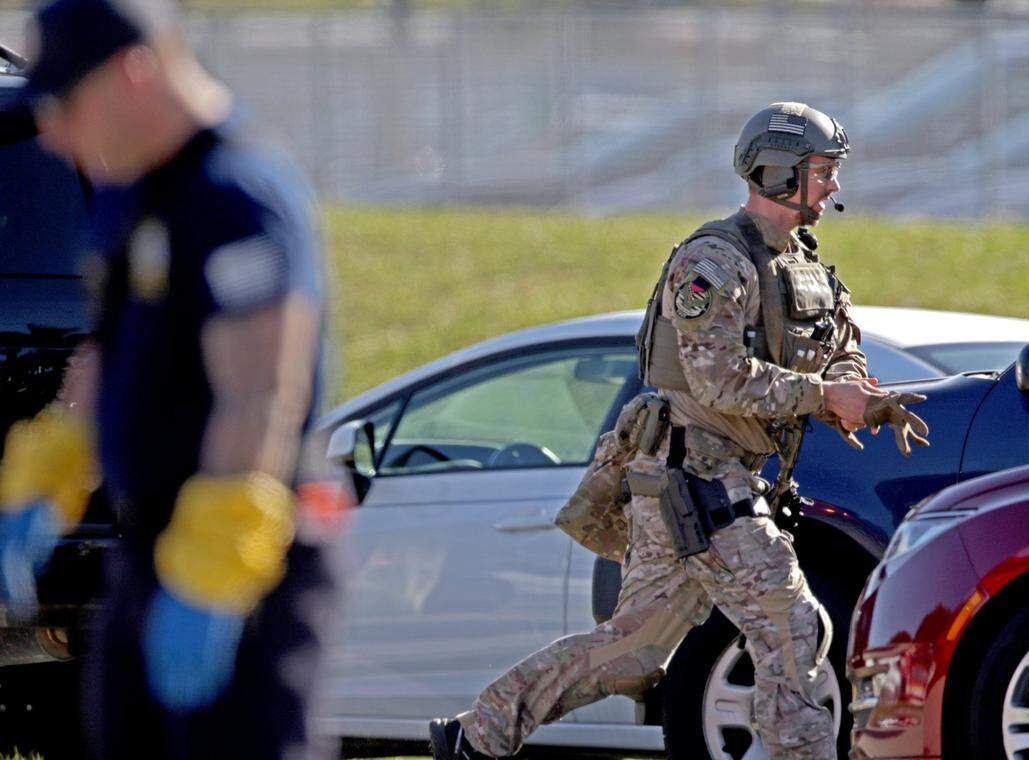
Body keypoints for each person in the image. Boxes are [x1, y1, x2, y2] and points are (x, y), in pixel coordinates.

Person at [429, 102, 929, 760]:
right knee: (791, 624)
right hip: (693, 474)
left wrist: (861, 394)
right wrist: (819, 396)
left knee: (632, 653)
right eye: (822, 171)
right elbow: (717, 380)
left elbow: (840, 351)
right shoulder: (713, 262)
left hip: (718, 480)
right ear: (778, 173)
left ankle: (477, 736)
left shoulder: (808, 268)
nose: (834, 186)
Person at [0, 0, 350, 756]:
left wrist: (215, 569)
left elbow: (261, 392)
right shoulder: (131, 190)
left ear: (134, 72)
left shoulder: (236, 193)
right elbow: (109, 349)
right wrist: (50, 467)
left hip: (239, 559)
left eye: (63, 104)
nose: (52, 132)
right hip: (154, 546)